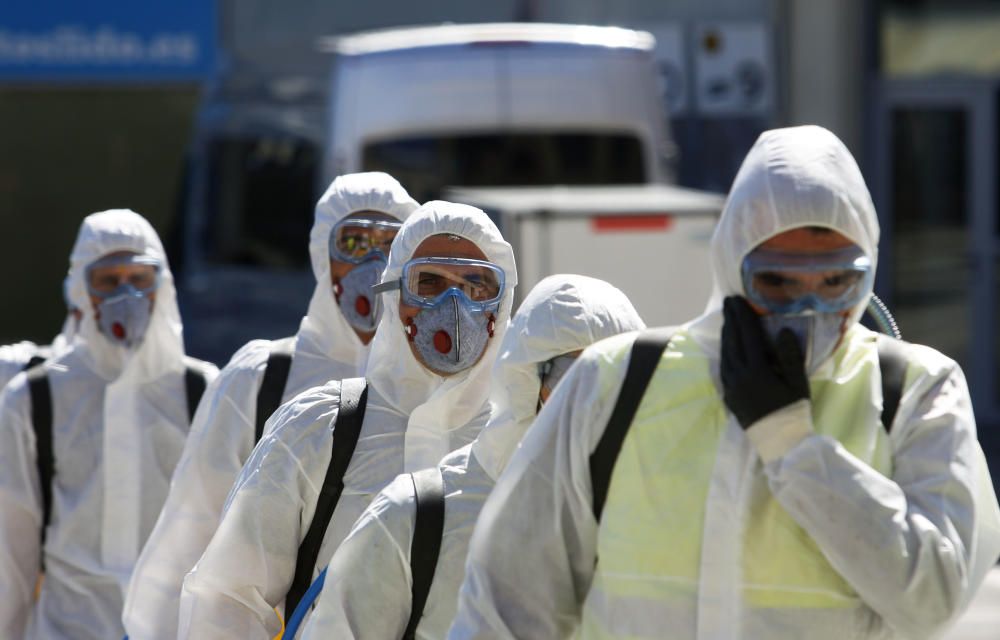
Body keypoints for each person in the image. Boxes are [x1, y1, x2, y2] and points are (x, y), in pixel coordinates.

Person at [448, 125, 1000, 640]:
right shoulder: (616, 385)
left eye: (837, 282)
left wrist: (792, 445)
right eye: (777, 281)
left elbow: (933, 596)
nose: (808, 310)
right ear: (734, 268)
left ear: (869, 274)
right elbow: (505, 603)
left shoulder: (913, 391)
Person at [177, 200, 518, 639]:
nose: (453, 304)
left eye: (477, 286)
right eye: (429, 283)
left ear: (501, 307)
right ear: (395, 295)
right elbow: (229, 597)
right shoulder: (319, 429)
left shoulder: (518, 442)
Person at [120, 172, 418, 639]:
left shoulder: (434, 390)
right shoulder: (261, 379)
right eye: (356, 243)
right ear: (324, 255)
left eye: (390, 244)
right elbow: (193, 527)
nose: (375, 263)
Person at [299, 274, 645, 640]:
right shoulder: (416, 517)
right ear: (525, 379)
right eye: (570, 379)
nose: (592, 403)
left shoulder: (658, 520)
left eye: (615, 378)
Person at [0, 209, 218, 639]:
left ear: (163, 286)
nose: (126, 294)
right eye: (108, 281)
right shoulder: (35, 397)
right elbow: (11, 553)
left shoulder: (205, 391)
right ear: (81, 291)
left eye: (139, 279)